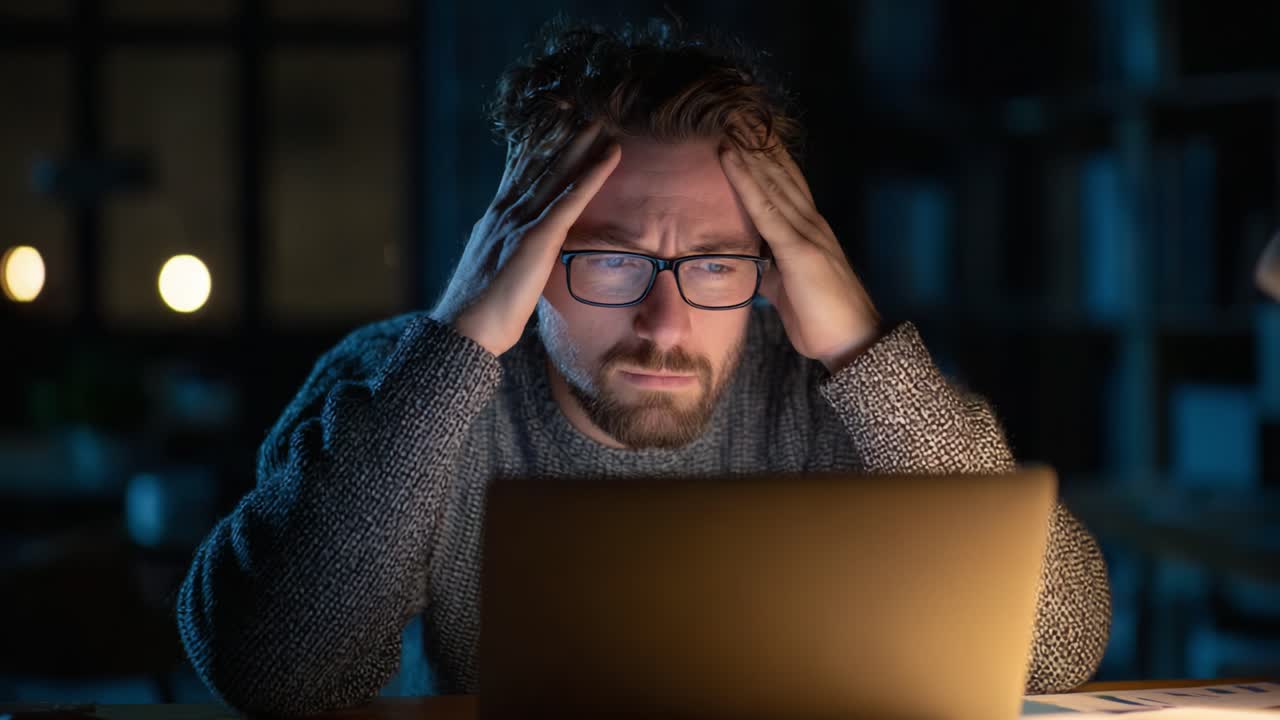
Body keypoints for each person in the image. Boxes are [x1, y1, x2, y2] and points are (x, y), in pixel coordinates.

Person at [176, 16, 1112, 716]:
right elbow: (273, 669)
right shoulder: (405, 384)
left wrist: (864, 351)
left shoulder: (849, 396)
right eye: (613, 259)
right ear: (521, 254)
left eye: (713, 264)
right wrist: (457, 344)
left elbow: (1059, 644)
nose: (665, 320)